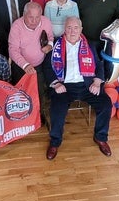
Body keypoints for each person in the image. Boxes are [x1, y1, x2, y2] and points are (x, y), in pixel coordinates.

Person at [43, 17, 112, 160]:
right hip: (64, 85)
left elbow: (99, 65)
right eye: (69, 27)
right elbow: (47, 66)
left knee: (106, 104)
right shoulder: (55, 45)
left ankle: (101, 137)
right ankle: (55, 142)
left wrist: (98, 81)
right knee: (57, 108)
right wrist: (56, 83)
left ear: (81, 29)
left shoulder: (90, 45)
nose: (72, 31)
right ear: (64, 29)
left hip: (87, 85)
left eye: (75, 28)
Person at [9, 2, 54, 125]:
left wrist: (50, 46)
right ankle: (21, 117)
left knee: (39, 91)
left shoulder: (46, 21)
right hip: (20, 66)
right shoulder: (16, 26)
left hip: (39, 64)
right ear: (24, 15)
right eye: (30, 17)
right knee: (21, 92)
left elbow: (50, 36)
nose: (34, 21)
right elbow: (13, 50)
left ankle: (38, 116)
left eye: (37, 17)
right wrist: (25, 65)